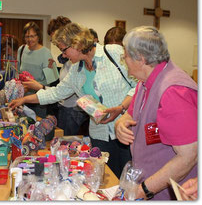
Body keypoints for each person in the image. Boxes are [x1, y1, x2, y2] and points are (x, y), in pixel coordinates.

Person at [10, 23, 137, 178]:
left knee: (127, 179)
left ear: (77, 43)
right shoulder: (76, 71)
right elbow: (56, 93)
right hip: (100, 134)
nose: (63, 55)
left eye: (64, 50)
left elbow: (139, 84)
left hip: (126, 131)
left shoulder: (114, 53)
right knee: (105, 180)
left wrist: (121, 107)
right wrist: (24, 99)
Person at [115, 26, 197, 200]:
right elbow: (130, 114)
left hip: (169, 193)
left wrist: (143, 190)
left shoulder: (174, 91)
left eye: (126, 56)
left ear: (141, 59)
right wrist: (120, 124)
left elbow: (188, 157)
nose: (124, 60)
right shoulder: (144, 81)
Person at [23, 16, 89, 136]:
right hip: (60, 103)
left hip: (71, 107)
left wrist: (39, 86)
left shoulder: (73, 59)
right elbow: (59, 83)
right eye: (27, 36)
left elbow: (57, 87)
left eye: (32, 36)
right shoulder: (68, 59)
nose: (55, 40)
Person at [17, 21, 58, 118]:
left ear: (38, 36)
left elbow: (51, 81)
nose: (30, 39)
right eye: (27, 36)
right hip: (23, 98)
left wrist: (33, 86)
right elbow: (18, 72)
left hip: (39, 100)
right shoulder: (21, 50)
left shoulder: (46, 53)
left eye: (33, 36)